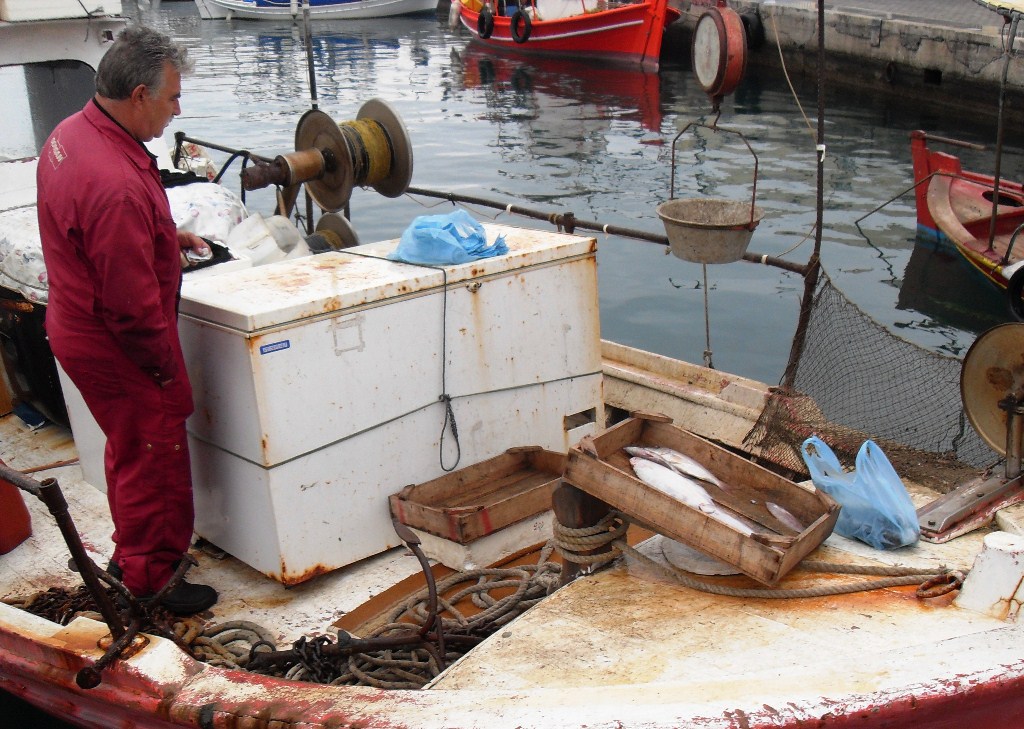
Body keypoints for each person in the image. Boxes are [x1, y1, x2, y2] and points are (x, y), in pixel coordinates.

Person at [36, 25, 217, 615]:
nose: (177, 110)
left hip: (74, 323)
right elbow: (132, 308)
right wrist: (165, 372)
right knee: (154, 451)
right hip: (117, 343)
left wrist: (167, 237)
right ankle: (150, 582)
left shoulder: (72, 134)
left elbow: (95, 238)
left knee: (128, 445)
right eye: (172, 98)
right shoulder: (114, 184)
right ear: (139, 95)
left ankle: (131, 553)